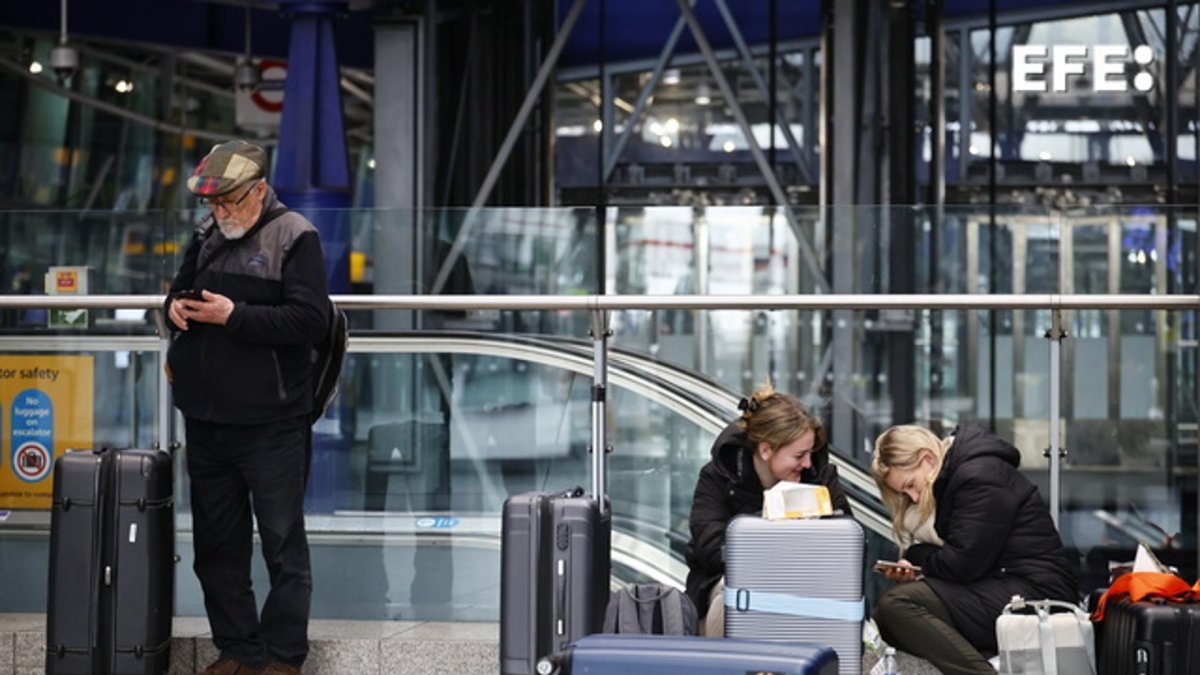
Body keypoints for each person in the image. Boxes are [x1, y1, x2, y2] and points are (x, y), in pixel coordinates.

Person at [165, 140, 330, 675]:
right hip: (205, 419)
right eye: (213, 203)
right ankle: (237, 648)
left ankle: (283, 655)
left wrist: (234, 316)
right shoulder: (207, 234)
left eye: (230, 201)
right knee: (216, 546)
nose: (221, 212)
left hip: (271, 422)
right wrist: (173, 308)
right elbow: (176, 294)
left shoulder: (296, 235)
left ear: (260, 190)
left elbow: (310, 320)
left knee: (282, 544)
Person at [870, 424, 1078, 675]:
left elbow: (962, 564)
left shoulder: (979, 476)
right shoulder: (960, 475)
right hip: (1006, 584)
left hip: (1039, 594)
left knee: (898, 604)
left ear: (928, 458)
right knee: (887, 618)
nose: (913, 497)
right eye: (904, 492)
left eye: (911, 484)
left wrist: (916, 557)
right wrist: (917, 565)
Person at [685, 382, 851, 637]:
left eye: (810, 453)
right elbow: (711, 547)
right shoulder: (719, 476)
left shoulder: (819, 475)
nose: (808, 463)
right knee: (733, 592)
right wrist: (774, 535)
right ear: (765, 450)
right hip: (733, 587)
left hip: (807, 586)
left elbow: (849, 541)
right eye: (799, 456)